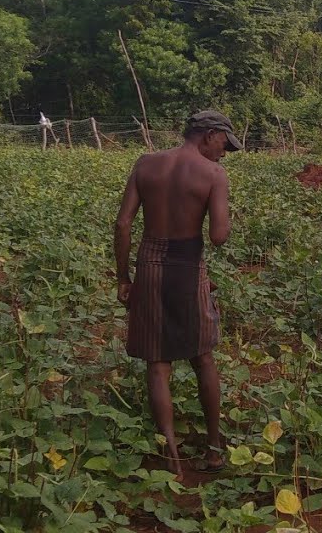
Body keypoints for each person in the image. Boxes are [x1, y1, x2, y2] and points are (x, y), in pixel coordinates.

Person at [114, 109, 241, 477]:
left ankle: (171, 455)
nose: (224, 152)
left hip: (149, 267)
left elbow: (123, 224)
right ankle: (214, 450)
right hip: (189, 271)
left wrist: (124, 278)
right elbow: (218, 237)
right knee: (203, 358)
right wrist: (224, 213)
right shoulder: (214, 175)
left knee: (158, 364)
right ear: (209, 134)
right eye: (224, 144)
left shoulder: (146, 163)